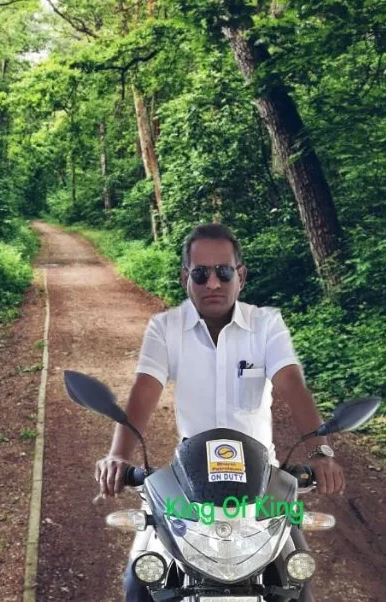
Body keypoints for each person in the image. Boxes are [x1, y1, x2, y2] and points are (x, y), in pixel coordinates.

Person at [95, 223, 345, 601]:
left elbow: (293, 386)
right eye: (200, 273)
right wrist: (117, 455)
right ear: (185, 278)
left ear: (240, 276)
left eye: (224, 271)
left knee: (298, 583)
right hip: (189, 484)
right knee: (138, 581)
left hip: (264, 486)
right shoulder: (166, 328)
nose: (213, 283)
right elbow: (143, 393)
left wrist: (320, 452)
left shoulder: (266, 325)